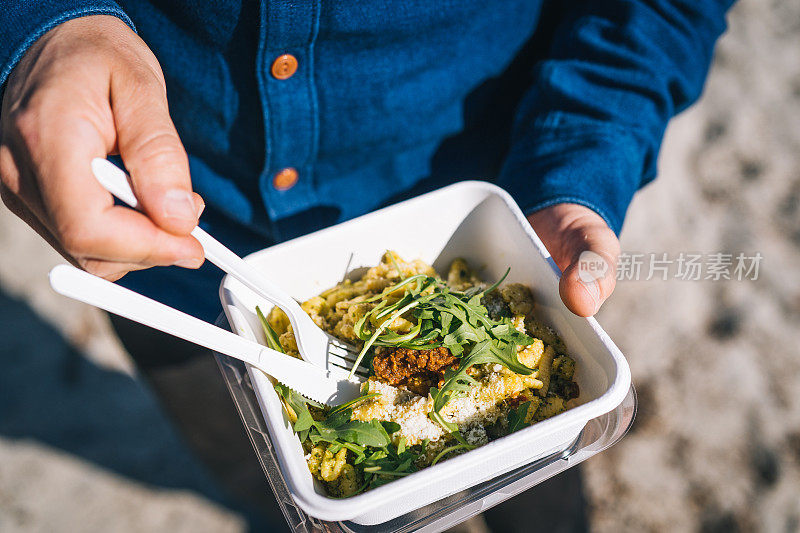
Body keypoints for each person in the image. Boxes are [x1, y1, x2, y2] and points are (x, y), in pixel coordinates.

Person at [0, 1, 733, 530]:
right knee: (256, 475)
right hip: (165, 245)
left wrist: (583, 151)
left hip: (479, 199)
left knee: (539, 501)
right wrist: (39, 31)